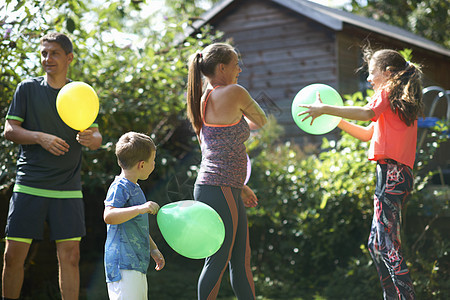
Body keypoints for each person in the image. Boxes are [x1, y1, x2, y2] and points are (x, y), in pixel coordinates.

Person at [298, 48, 423, 300]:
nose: (368, 79)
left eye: (371, 73)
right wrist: (334, 120)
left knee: (386, 244)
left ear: (387, 74)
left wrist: (327, 109)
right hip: (391, 174)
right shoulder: (393, 102)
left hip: (392, 173)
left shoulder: (386, 93)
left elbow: (367, 113)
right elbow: (368, 133)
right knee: (376, 245)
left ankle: (405, 297)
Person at [2, 32, 103, 300]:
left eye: (54, 53)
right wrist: (40, 137)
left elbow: (96, 137)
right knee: (13, 258)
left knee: (70, 258)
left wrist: (92, 138)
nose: (48, 59)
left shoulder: (81, 93)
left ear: (69, 58)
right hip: (30, 184)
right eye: (44, 53)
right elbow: (9, 129)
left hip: (67, 187)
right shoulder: (27, 89)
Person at [186, 43, 268, 300]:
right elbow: (261, 120)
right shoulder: (235, 92)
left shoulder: (204, 99)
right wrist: (242, 113)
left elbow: (210, 149)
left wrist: (240, 185)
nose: (239, 70)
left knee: (241, 259)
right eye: (235, 65)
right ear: (221, 67)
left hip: (222, 186)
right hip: (219, 187)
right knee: (219, 259)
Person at [103, 131, 165, 300]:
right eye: (153, 161)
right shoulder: (120, 187)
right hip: (122, 264)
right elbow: (109, 215)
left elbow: (138, 226)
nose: (154, 165)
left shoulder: (135, 188)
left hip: (137, 263)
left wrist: (153, 248)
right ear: (141, 165)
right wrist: (140, 209)